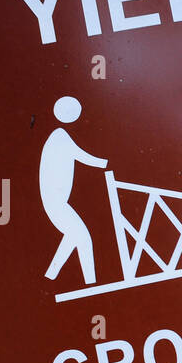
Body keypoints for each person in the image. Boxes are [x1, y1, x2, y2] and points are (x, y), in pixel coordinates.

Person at [41, 95, 108, 285]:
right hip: (57, 204)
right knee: (83, 238)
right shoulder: (60, 137)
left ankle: (51, 275)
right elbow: (82, 156)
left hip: (57, 202)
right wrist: (107, 163)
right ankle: (91, 282)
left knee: (73, 236)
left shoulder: (59, 136)